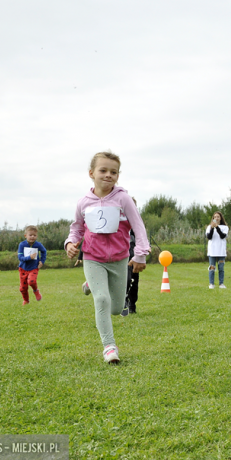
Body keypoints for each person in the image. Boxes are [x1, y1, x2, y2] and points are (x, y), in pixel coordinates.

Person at [65, 151, 149, 364]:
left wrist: (140, 255)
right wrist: (69, 243)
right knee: (102, 299)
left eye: (114, 172)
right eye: (103, 170)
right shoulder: (83, 202)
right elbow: (76, 229)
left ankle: (90, 285)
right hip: (93, 258)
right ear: (91, 173)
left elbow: (138, 227)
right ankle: (109, 347)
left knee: (116, 307)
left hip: (120, 260)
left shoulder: (123, 199)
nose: (108, 175)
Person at [17, 225, 47, 305]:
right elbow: (20, 257)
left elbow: (44, 251)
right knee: (22, 288)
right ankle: (26, 300)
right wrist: (29, 257)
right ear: (25, 235)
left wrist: (42, 261)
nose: (32, 237)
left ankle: (36, 291)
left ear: (37, 236)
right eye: (30, 235)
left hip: (34, 268)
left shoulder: (38, 245)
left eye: (34, 235)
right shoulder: (22, 245)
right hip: (23, 268)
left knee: (31, 282)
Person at [206, 211, 228, 289]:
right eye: (215, 217)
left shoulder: (225, 227)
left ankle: (221, 283)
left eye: (218, 217)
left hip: (221, 251)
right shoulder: (209, 227)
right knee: (212, 267)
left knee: (221, 268)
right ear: (213, 218)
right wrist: (212, 228)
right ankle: (211, 283)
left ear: (220, 218)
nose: (216, 218)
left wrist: (217, 227)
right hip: (212, 251)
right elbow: (209, 237)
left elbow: (222, 236)